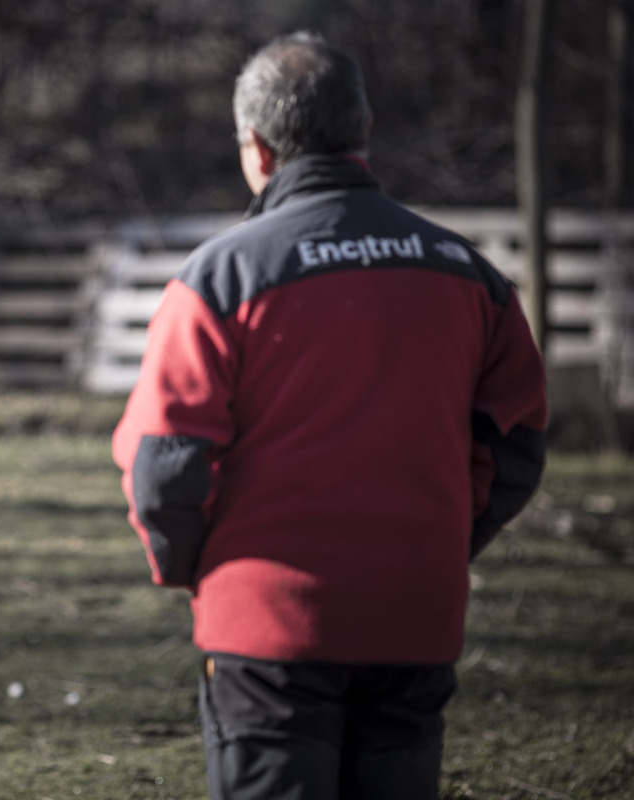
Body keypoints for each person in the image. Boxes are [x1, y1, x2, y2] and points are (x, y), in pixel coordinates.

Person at [111, 31, 548, 800]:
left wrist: (190, 569)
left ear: (257, 147)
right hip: (417, 615)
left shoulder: (220, 277)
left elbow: (167, 461)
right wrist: (442, 542)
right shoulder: (471, 274)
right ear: (364, 130)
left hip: (264, 625)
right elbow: (515, 443)